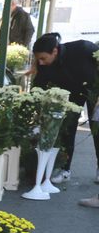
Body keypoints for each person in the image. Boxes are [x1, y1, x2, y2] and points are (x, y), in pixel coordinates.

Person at [30, 32, 99, 202]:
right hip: (71, 95)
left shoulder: (82, 48)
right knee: (68, 128)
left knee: (97, 130)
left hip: (95, 92)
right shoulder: (44, 66)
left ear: (55, 51)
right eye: (38, 59)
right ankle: (65, 169)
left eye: (43, 58)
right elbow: (38, 88)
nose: (41, 62)